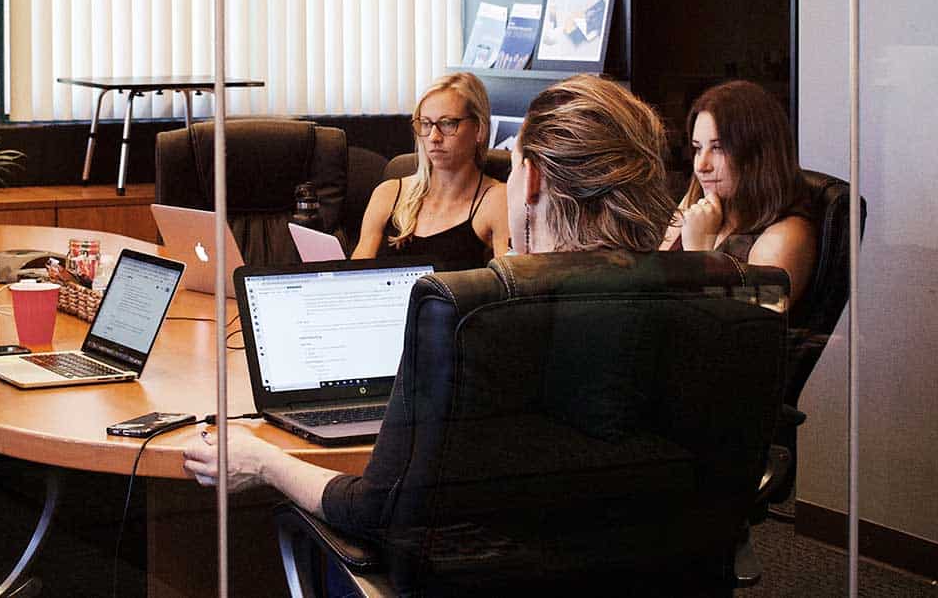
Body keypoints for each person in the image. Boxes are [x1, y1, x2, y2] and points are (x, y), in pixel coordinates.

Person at [182, 73, 675, 530]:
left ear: (533, 182)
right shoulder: (710, 299)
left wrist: (263, 461)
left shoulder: (471, 324)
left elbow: (371, 506)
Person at [661, 80, 817, 306]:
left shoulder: (787, 235)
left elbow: (750, 322)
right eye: (697, 149)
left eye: (718, 148)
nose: (701, 166)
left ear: (757, 153)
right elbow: (653, 287)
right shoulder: (698, 202)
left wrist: (699, 254)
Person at [351, 72, 510, 269]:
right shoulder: (388, 193)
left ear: (479, 129)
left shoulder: (497, 199)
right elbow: (354, 277)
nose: (434, 137)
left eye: (447, 123)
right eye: (426, 124)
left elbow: (512, 285)